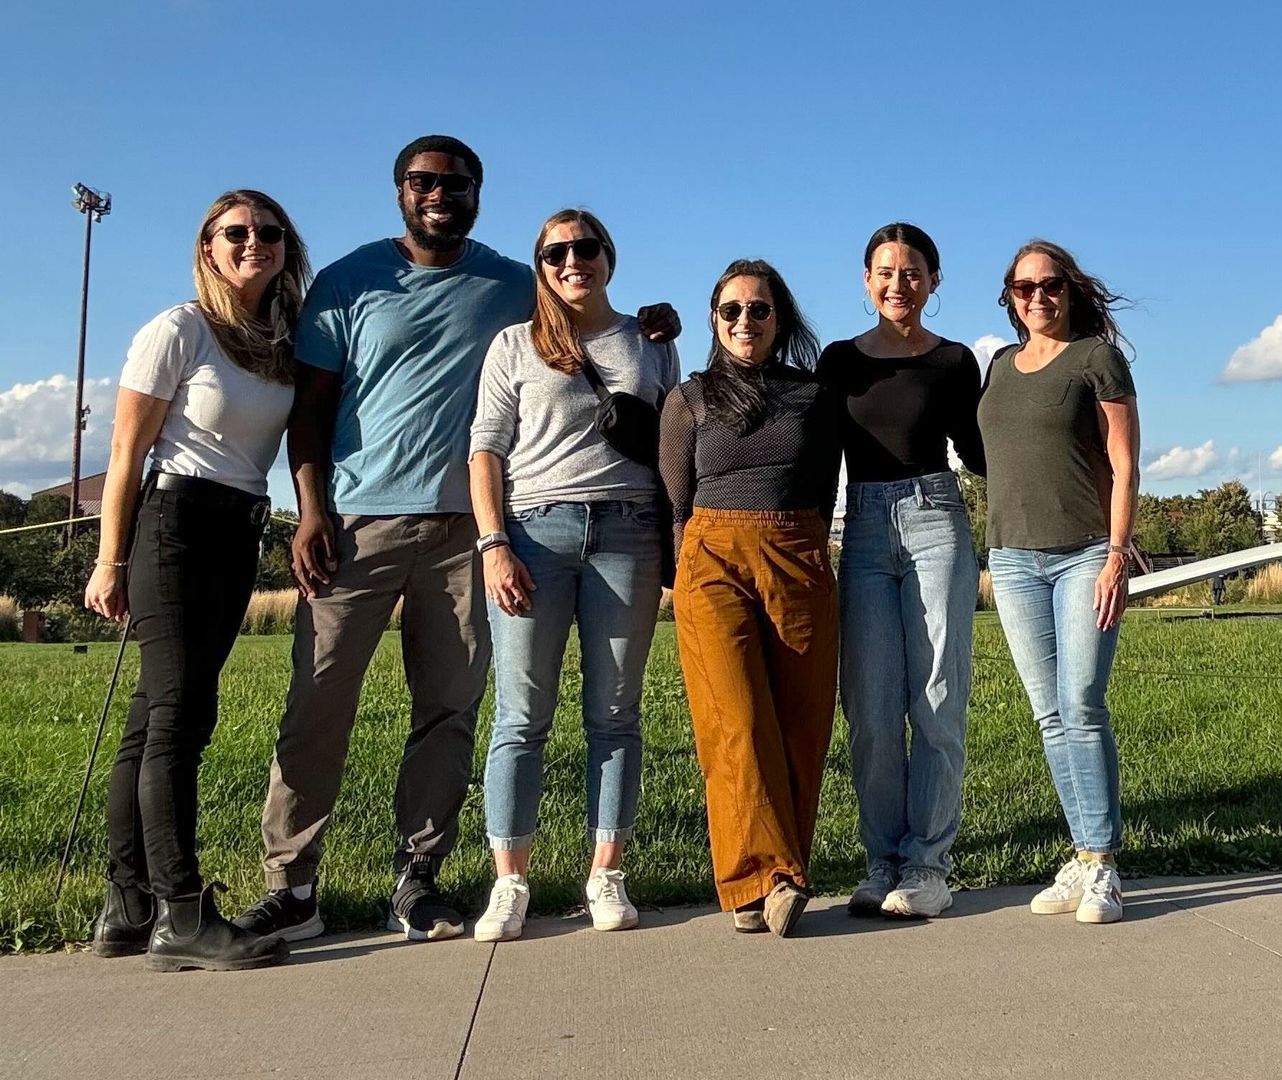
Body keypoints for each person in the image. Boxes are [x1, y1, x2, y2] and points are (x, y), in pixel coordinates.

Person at [233, 135, 679, 944]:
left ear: (479, 191)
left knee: (448, 712)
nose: (439, 193)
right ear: (400, 190)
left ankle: (420, 879)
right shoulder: (349, 281)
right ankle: (293, 889)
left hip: (473, 532)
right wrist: (310, 510)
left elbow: (586, 317)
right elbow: (311, 409)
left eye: (457, 182)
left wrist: (657, 320)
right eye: (423, 181)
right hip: (359, 523)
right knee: (319, 703)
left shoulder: (514, 282)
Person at [83, 190, 310, 971]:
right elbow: (125, 453)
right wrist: (109, 560)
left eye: (269, 231)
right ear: (208, 246)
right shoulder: (178, 329)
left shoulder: (276, 339)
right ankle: (182, 914)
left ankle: (127, 904)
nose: (256, 242)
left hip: (237, 530)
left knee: (154, 719)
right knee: (181, 718)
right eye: (236, 232)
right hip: (172, 526)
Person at [466, 210, 678, 943]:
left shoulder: (649, 342)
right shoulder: (514, 345)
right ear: (541, 265)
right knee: (521, 717)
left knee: (616, 714)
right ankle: (510, 882)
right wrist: (494, 544)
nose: (571, 261)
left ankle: (605, 872)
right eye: (555, 252)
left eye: (584, 248)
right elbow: (486, 450)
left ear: (608, 257)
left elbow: (671, 444)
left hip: (629, 530)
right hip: (535, 532)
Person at [660, 259, 840, 937]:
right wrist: (685, 570)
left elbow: (823, 486)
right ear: (714, 319)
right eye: (730, 310)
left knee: (799, 722)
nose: (744, 322)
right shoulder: (690, 399)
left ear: (779, 319)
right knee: (733, 721)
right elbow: (675, 499)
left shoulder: (813, 397)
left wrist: (805, 547)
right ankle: (761, 879)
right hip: (710, 558)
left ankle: (776, 877)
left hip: (797, 551)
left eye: (758, 310)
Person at [817, 224, 984, 919]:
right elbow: (820, 456)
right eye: (884, 272)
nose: (898, 284)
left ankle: (927, 867)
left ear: (934, 282)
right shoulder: (839, 361)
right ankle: (881, 859)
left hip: (935, 519)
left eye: (912, 273)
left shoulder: (953, 362)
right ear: (864, 280)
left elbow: (978, 451)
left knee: (937, 700)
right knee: (872, 710)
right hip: (860, 530)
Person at [977, 239, 1141, 925]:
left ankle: (1103, 865)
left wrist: (1116, 554)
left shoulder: (1096, 359)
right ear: (1009, 298)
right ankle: (1080, 854)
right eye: (1024, 288)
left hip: (1083, 556)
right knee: (1049, 714)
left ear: (1070, 291)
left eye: (1050, 287)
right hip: (1012, 558)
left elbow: (1125, 464)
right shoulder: (998, 367)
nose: (1038, 298)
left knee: (1081, 703)